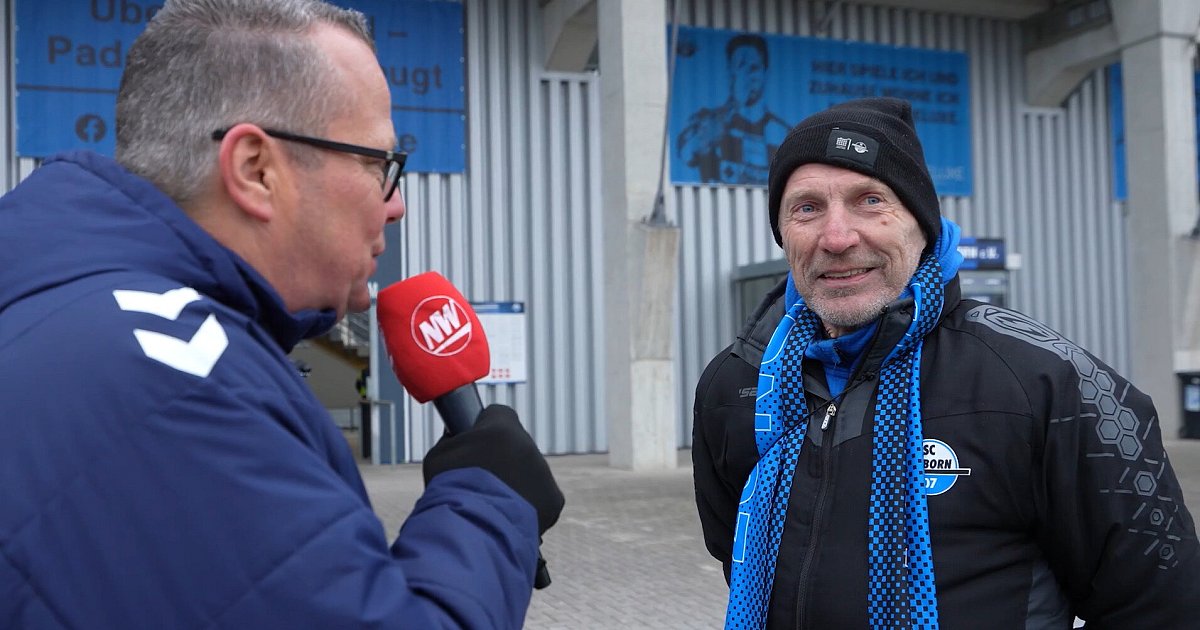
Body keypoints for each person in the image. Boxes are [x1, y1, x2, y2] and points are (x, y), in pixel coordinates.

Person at [0, 1, 562, 628]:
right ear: (256, 170)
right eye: (378, 164)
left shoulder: (62, 305)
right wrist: (487, 502)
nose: (396, 204)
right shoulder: (172, 381)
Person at [692, 97, 1200, 628]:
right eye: (807, 208)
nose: (837, 237)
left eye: (870, 200)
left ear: (922, 224)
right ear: (783, 233)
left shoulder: (1048, 384)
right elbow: (738, 558)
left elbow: (1160, 606)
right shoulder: (735, 384)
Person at [675, 33, 790, 185]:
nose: (748, 75)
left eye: (754, 68)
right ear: (730, 73)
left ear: (765, 73)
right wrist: (733, 108)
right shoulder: (709, 121)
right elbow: (686, 154)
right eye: (741, 66)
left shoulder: (784, 133)